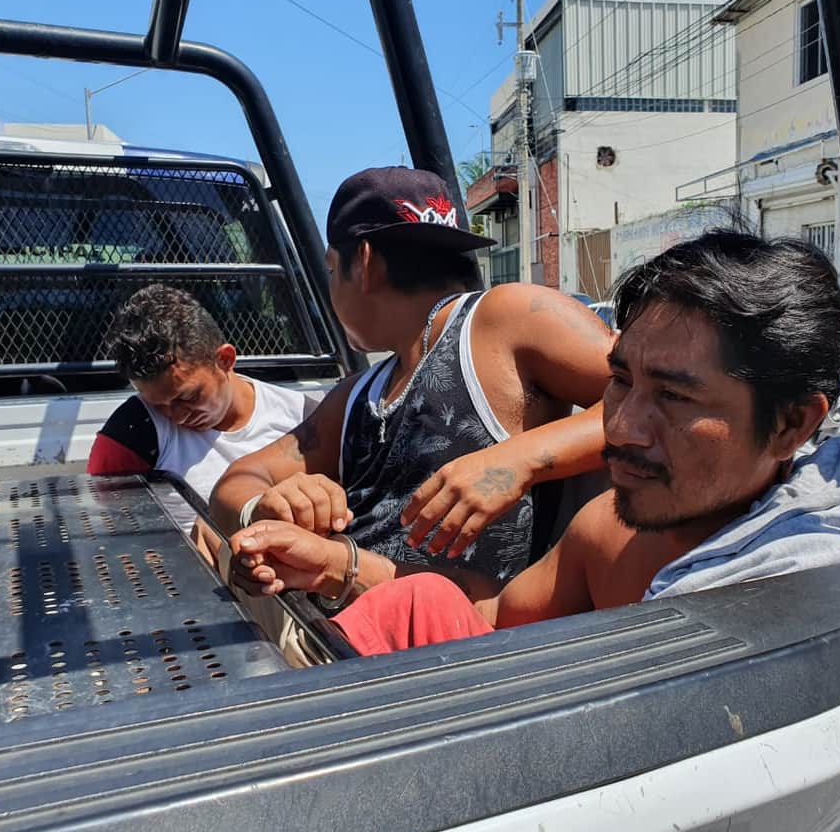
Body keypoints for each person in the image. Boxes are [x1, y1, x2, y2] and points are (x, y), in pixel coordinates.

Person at [227, 229, 840, 655]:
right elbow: (493, 615)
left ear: (792, 425)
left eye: (673, 396)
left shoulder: (815, 601)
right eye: (618, 381)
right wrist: (332, 565)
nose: (623, 427)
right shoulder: (607, 528)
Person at [210, 166, 613, 603]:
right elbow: (237, 482)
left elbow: (666, 402)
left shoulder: (505, 317)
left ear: (363, 263)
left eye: (331, 268)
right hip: (342, 621)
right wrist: (269, 505)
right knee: (209, 536)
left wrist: (521, 459)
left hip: (450, 639)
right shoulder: (358, 394)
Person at [87, 284, 313, 532]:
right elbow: (110, 537)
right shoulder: (131, 432)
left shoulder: (305, 417)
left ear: (225, 360)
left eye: (188, 397)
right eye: (158, 405)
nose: (176, 416)